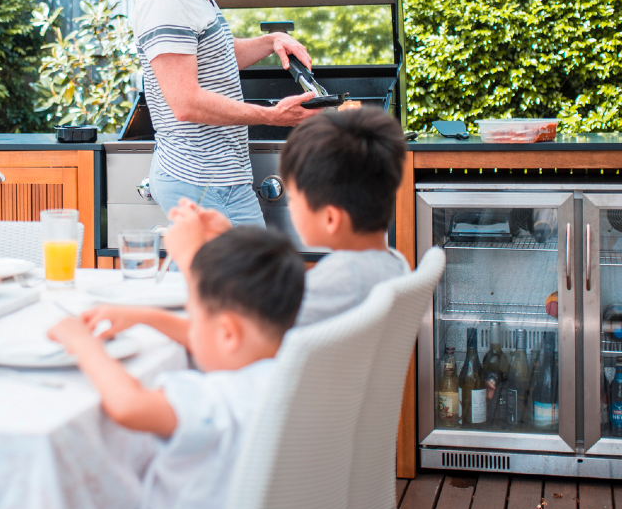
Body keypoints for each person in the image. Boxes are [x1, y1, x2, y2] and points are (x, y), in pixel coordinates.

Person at [47, 228, 304, 509]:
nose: (190, 328)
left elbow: (129, 406)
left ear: (228, 333)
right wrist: (146, 316)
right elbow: (221, 339)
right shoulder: (294, 374)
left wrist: (82, 344)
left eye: (193, 317)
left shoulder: (214, 398)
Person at [85, 106, 409, 341]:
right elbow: (264, 305)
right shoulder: (390, 266)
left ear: (330, 218)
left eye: (293, 201)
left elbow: (222, 344)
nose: (291, 208)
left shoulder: (337, 281)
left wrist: (192, 261)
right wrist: (228, 239)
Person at [134, 0, 316, 226]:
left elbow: (214, 55)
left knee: (231, 281)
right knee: (248, 281)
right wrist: (270, 115)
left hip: (220, 179)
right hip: (199, 183)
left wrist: (269, 41)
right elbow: (185, 103)